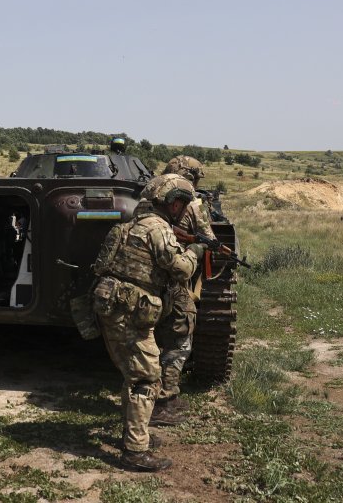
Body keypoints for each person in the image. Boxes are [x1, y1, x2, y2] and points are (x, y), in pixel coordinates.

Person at [92, 175, 205, 472]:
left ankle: (134, 436)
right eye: (181, 203)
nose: (182, 209)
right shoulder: (157, 229)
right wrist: (196, 251)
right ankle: (135, 453)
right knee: (146, 379)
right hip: (128, 311)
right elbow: (180, 269)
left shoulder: (132, 224)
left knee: (135, 376)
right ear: (173, 202)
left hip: (113, 307)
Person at [151, 168, 215, 426]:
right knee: (180, 338)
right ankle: (163, 402)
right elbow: (207, 238)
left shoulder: (148, 203)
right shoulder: (192, 206)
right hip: (175, 281)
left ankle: (158, 397)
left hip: (146, 283)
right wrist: (197, 249)